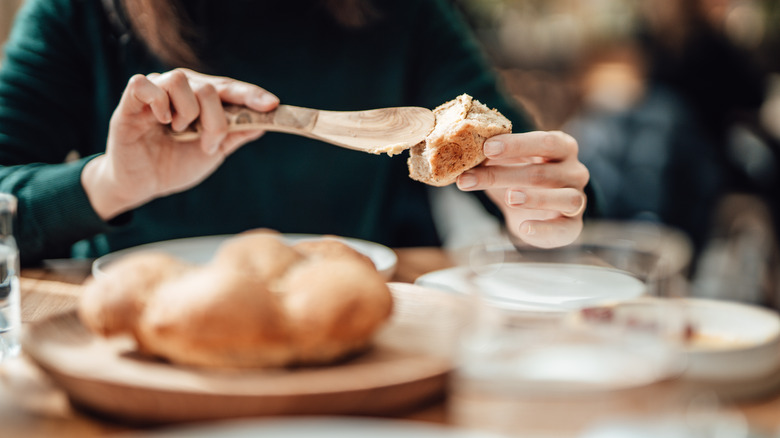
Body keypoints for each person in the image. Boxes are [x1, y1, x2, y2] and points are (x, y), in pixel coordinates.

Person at [0, 0, 589, 266]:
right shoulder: (75, 12)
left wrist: (536, 207)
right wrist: (112, 182)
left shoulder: (404, 14)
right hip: (133, 338)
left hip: (352, 338)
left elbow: (539, 184)